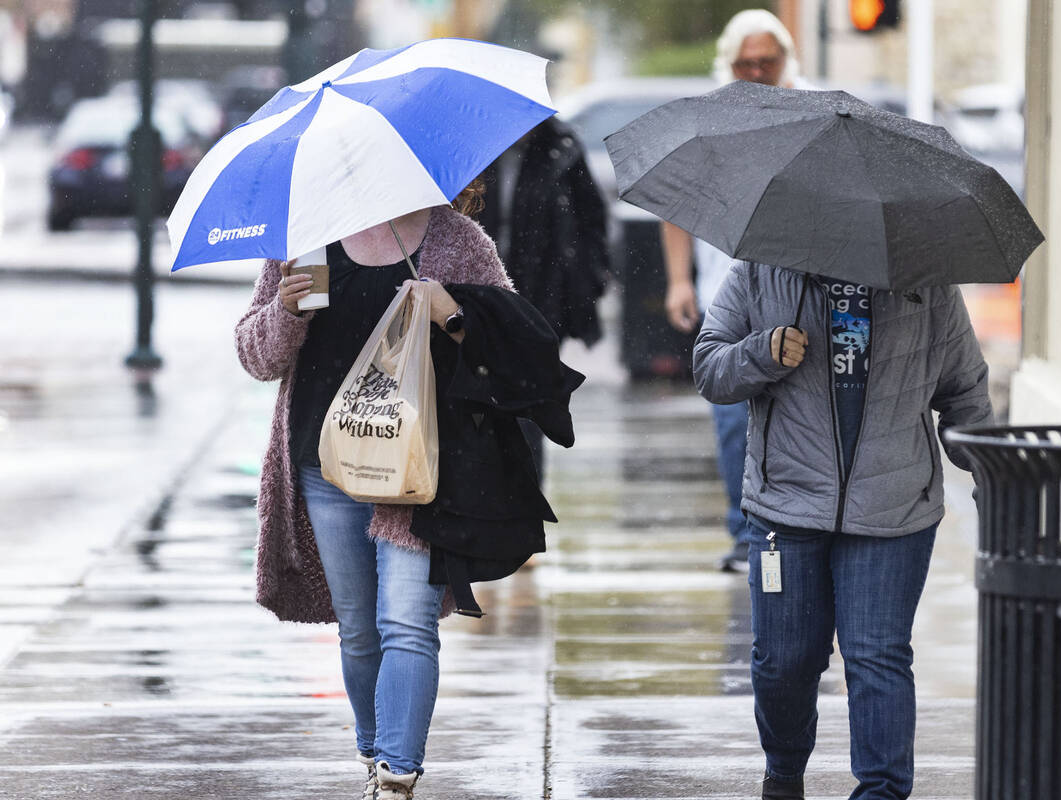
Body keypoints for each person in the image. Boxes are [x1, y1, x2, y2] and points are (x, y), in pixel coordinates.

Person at [235, 185, 579, 800]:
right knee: (359, 627)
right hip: (326, 468)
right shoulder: (307, 236)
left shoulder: (456, 241)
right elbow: (257, 358)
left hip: (419, 472)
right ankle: (374, 749)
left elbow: (513, 343)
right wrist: (285, 311)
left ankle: (397, 771)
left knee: (408, 622)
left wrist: (452, 313)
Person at [693, 267, 992, 799]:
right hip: (786, 505)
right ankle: (783, 773)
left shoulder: (927, 283)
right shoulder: (762, 272)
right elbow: (710, 369)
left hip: (892, 507)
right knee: (785, 660)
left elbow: (964, 392)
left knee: (877, 655)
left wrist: (992, 477)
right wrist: (762, 352)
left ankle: (881, 791)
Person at [660, 8, 806, 572]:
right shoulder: (708, 123)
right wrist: (679, 280)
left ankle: (791, 529)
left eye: (765, 62)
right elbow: (673, 205)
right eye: (745, 64)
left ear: (784, 62)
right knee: (730, 418)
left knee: (798, 416)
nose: (755, 72)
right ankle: (745, 535)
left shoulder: (814, 115)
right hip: (729, 291)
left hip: (797, 291)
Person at [477, 116, 608, 482]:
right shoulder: (473, 151)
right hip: (477, 298)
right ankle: (484, 497)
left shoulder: (560, 148)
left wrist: (589, 282)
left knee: (529, 404)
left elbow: (591, 218)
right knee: (478, 401)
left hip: (541, 300)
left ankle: (524, 499)